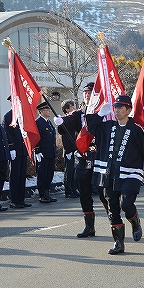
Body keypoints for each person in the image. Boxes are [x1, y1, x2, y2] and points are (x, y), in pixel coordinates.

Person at [85, 95, 144, 254]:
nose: (116, 110)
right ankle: (119, 242)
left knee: (126, 204)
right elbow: (91, 127)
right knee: (113, 208)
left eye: (120, 108)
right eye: (115, 107)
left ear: (128, 110)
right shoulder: (108, 126)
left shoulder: (137, 129)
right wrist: (100, 114)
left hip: (130, 173)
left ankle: (135, 221)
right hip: (110, 174)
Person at [54, 82, 108, 238]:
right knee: (84, 192)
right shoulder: (79, 113)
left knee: (103, 191)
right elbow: (69, 122)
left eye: (90, 92)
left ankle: (113, 220)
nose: (87, 95)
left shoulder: (104, 112)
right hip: (84, 157)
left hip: (99, 156)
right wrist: (61, 122)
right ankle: (89, 226)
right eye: (85, 93)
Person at [3, 96, 31, 208]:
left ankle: (21, 199)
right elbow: (7, 133)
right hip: (14, 151)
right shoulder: (8, 116)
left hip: (23, 150)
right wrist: (11, 148)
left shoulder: (23, 116)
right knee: (15, 176)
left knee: (22, 176)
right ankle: (14, 200)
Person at [34, 101, 58, 203]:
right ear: (41, 112)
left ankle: (47, 192)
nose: (49, 111)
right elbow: (35, 137)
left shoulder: (48, 122)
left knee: (49, 173)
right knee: (42, 174)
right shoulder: (38, 122)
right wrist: (37, 150)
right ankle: (42, 194)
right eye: (46, 110)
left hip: (50, 152)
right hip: (42, 153)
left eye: (49, 109)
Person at [59, 99, 79, 199]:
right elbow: (65, 137)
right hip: (69, 151)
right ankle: (68, 190)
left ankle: (74, 189)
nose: (73, 109)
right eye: (71, 107)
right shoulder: (64, 120)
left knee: (74, 171)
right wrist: (68, 151)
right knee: (69, 171)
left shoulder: (73, 119)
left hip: (75, 149)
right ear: (67, 109)